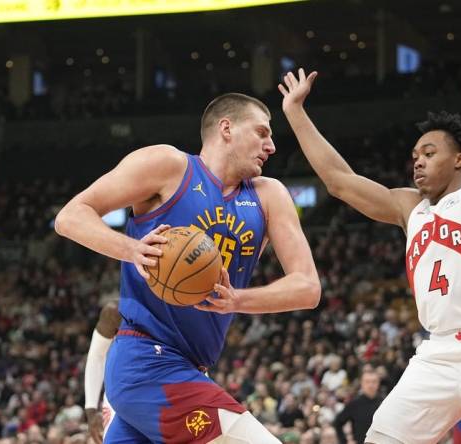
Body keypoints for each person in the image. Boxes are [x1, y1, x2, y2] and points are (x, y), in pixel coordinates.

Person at [279, 0, 461, 442]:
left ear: (460, 159)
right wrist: (296, 114)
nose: (418, 162)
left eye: (429, 153)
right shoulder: (409, 208)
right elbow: (338, 181)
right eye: (414, 156)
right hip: (435, 354)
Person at [55, 92, 320, 443]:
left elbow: (307, 287)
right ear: (227, 128)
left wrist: (236, 300)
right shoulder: (167, 165)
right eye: (262, 133)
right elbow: (70, 216)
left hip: (188, 369)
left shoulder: (269, 196)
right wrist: (133, 249)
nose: (271, 146)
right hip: (145, 360)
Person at [84, 301, 120, 444]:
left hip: (163, 394)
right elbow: (97, 357)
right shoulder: (116, 311)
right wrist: (91, 410)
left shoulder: (186, 305)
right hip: (119, 399)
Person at [333, 371, 382, 444]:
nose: (371, 385)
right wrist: (345, 441)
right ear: (362, 383)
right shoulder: (354, 404)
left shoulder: (384, 403)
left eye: (374, 382)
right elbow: (337, 423)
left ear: (378, 383)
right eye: (367, 382)